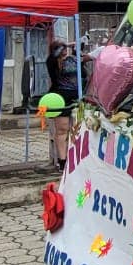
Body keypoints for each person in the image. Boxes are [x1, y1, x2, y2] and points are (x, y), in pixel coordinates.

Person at [46, 41, 81, 170]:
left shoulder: (72, 59)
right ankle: (62, 160)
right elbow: (53, 56)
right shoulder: (53, 62)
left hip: (76, 96)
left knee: (77, 128)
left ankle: (76, 157)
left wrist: (76, 48)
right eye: (61, 48)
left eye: (65, 48)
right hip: (60, 96)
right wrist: (64, 45)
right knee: (62, 129)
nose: (64, 50)